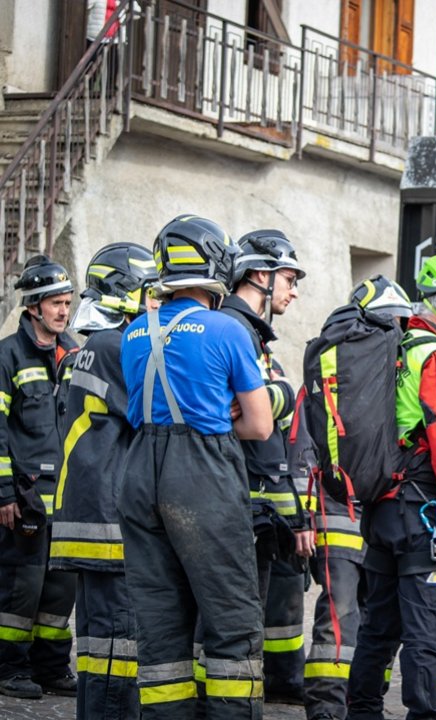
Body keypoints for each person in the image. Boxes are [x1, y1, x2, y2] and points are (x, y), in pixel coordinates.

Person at [117, 214, 273, 719]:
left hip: (140, 471)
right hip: (202, 472)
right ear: (218, 264)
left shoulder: (135, 332)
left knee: (160, 624)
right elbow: (259, 425)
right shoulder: (228, 329)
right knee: (231, 619)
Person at [347, 254, 436, 719]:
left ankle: (361, 712)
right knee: (427, 632)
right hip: (422, 512)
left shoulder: (396, 346)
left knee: (378, 628)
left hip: (384, 508)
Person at [49, 242, 159, 718]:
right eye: (151, 293)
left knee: (96, 651)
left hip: (89, 521)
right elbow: (155, 418)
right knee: (118, 652)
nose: (158, 303)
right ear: (126, 291)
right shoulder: (117, 347)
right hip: (113, 527)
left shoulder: (86, 347)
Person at [303, 275, 412, 720]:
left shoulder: (333, 367)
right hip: (376, 510)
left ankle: (330, 707)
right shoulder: (393, 371)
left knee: (340, 615)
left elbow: (305, 440)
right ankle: (350, 703)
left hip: (337, 507)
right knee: (366, 616)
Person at [220, 229, 312, 706]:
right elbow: (250, 421)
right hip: (235, 505)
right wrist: (278, 395)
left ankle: (259, 690)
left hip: (261, 508)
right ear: (261, 273)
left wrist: (293, 516)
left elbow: (266, 422)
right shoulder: (234, 329)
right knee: (234, 617)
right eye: (289, 279)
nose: (293, 290)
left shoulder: (253, 336)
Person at [0, 255, 79, 700]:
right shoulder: (7, 356)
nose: (63, 311)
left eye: (67, 303)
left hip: (65, 500)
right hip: (24, 499)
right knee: (19, 591)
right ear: (33, 306)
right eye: (55, 303)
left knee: (58, 592)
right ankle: (9, 667)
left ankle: (50, 667)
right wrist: (4, 492)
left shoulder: (75, 353)